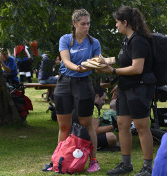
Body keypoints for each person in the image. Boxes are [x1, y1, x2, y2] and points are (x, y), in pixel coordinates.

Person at [100, 6, 155, 176]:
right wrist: (119, 83)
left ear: (125, 22)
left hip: (139, 88)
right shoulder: (127, 40)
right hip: (125, 88)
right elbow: (126, 65)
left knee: (141, 127)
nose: (116, 25)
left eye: (117, 22)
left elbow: (137, 68)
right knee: (122, 125)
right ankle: (126, 164)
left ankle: (147, 167)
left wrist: (114, 72)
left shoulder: (139, 40)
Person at [53, 9, 101, 173]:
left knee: (87, 125)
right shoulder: (65, 39)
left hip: (84, 83)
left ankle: (93, 161)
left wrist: (98, 64)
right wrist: (77, 67)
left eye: (88, 23)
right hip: (65, 82)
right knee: (64, 126)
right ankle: (59, 159)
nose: (86, 27)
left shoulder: (94, 42)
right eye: (83, 24)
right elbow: (66, 61)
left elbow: (97, 62)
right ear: (74, 24)